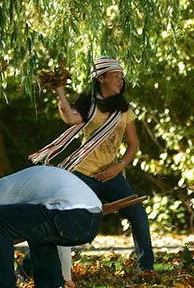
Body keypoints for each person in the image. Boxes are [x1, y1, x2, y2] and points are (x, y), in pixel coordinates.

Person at [29, 56, 154, 271]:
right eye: (116, 77)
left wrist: (119, 166)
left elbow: (133, 144)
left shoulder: (123, 109)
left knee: (138, 215)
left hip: (111, 175)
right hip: (82, 174)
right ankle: (28, 267)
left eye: (122, 78)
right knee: (65, 219)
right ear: (101, 78)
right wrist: (60, 90)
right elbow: (71, 119)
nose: (120, 81)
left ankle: (146, 269)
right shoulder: (89, 104)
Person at [0, 165, 103, 288]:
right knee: (37, 231)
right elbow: (58, 236)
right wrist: (66, 276)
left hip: (71, 213)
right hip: (92, 217)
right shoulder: (26, 188)